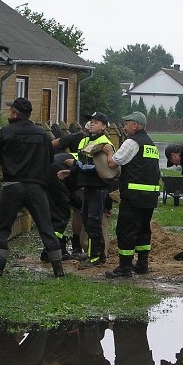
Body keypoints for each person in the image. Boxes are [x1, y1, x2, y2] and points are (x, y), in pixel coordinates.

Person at [0, 97, 64, 278]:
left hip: (12, 185)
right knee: (46, 226)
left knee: (2, 227)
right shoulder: (41, 134)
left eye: (10, 111)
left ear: (14, 113)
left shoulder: (5, 132)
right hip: (36, 187)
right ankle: (58, 269)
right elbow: (50, 159)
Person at [54, 112, 116, 267]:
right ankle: (97, 254)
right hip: (88, 186)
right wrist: (70, 172)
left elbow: (104, 169)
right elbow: (82, 163)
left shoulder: (104, 143)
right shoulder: (86, 141)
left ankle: (95, 257)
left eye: (97, 122)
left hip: (98, 188)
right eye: (91, 121)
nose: (92, 123)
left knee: (93, 222)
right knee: (88, 223)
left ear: (103, 126)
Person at [104, 111, 161, 278]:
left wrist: (108, 151)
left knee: (126, 230)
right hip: (150, 197)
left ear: (134, 125)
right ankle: (142, 264)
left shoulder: (132, 142)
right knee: (144, 230)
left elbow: (114, 163)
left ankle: (125, 267)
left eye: (126, 124)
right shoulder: (150, 143)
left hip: (134, 196)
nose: (124, 127)